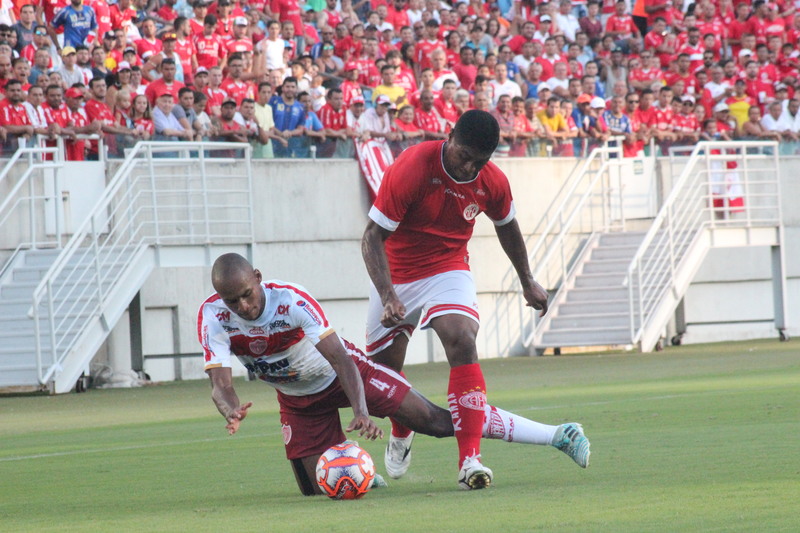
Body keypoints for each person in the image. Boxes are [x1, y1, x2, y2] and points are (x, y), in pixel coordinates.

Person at [200, 253, 591, 496]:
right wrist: (230, 407)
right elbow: (221, 385)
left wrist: (361, 410)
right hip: (298, 400)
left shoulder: (292, 300)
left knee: (437, 422)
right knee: (315, 489)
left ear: (257, 276)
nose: (243, 306)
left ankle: (557, 434)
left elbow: (342, 360)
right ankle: (363, 471)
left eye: (247, 294)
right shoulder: (214, 317)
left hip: (349, 375)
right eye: (232, 301)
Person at [360, 110, 590, 489]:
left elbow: (507, 227)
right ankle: (402, 429)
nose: (468, 166)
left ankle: (470, 461)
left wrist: (527, 280)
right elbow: (371, 238)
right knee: (383, 374)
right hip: (396, 273)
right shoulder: (413, 166)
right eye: (463, 155)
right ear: (449, 137)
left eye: (478, 161)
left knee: (463, 340)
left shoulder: (492, 181)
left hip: (448, 269)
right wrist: (387, 295)